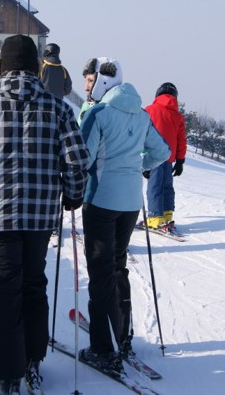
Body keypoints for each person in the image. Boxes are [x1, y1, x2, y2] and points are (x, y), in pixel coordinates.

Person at [0, 35, 89, 394]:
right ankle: (32, 360)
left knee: (2, 289)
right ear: (36, 68)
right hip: (39, 217)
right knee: (34, 284)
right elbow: (77, 161)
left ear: (0, 67)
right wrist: (73, 196)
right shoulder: (58, 108)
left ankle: (7, 372)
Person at [77, 58, 170, 374]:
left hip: (101, 199)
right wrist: (138, 167)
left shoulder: (99, 113)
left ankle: (103, 349)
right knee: (117, 265)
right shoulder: (141, 114)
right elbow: (162, 152)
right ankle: (122, 334)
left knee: (100, 271)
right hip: (131, 203)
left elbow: (83, 157)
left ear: (103, 83)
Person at [144, 82, 187, 231]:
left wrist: (144, 161)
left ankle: (155, 218)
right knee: (167, 186)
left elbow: (142, 134)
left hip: (154, 157)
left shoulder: (149, 110)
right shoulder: (178, 116)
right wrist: (180, 161)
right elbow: (181, 140)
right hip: (169, 158)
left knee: (154, 186)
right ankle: (167, 215)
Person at [79, 57, 118, 124]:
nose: (86, 88)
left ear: (107, 82)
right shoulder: (87, 106)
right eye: (86, 81)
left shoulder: (113, 113)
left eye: (91, 81)